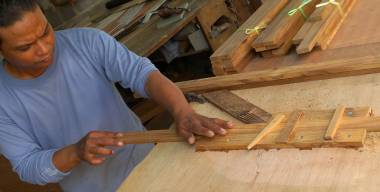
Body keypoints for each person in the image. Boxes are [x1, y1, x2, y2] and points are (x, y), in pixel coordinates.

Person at [0, 0, 233, 191]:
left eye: (45, 32)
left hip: (149, 163)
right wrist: (75, 151)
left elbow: (141, 74)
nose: (44, 48)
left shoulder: (86, 41)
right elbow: (28, 165)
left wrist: (182, 111)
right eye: (25, 47)